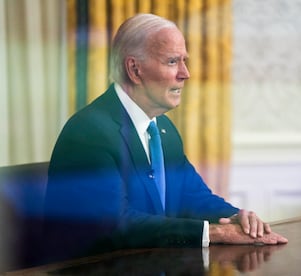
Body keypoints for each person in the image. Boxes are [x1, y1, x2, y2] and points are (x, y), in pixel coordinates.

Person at [42, 13, 287, 263]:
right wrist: (214, 232)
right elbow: (114, 225)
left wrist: (237, 218)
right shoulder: (88, 133)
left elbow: (192, 196)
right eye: (172, 62)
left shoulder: (163, 129)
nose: (185, 73)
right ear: (135, 69)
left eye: (184, 61)